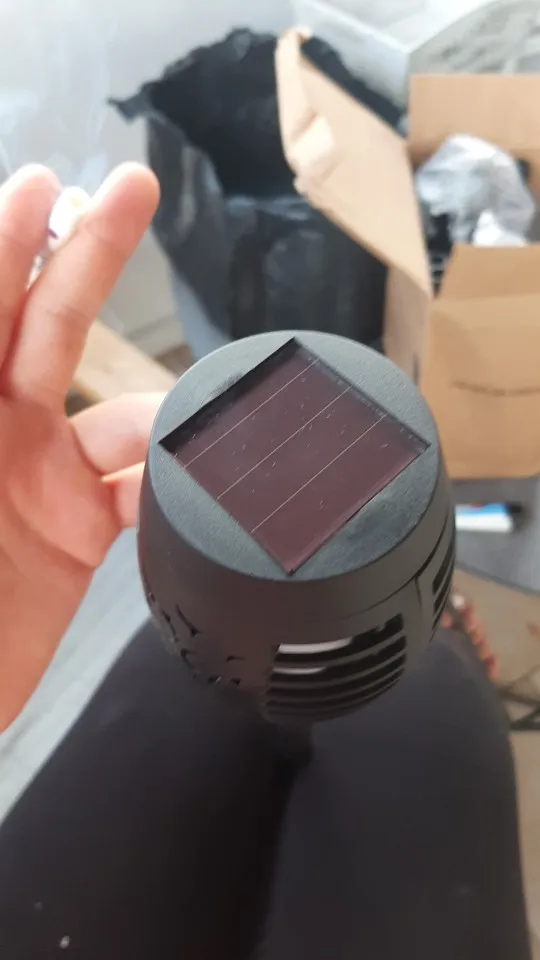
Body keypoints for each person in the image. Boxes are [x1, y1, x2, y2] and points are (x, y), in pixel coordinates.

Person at [0, 165, 531, 960]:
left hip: (210, 649)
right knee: (439, 697)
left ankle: (431, 633)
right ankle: (449, 636)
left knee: (171, 676)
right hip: (242, 638)